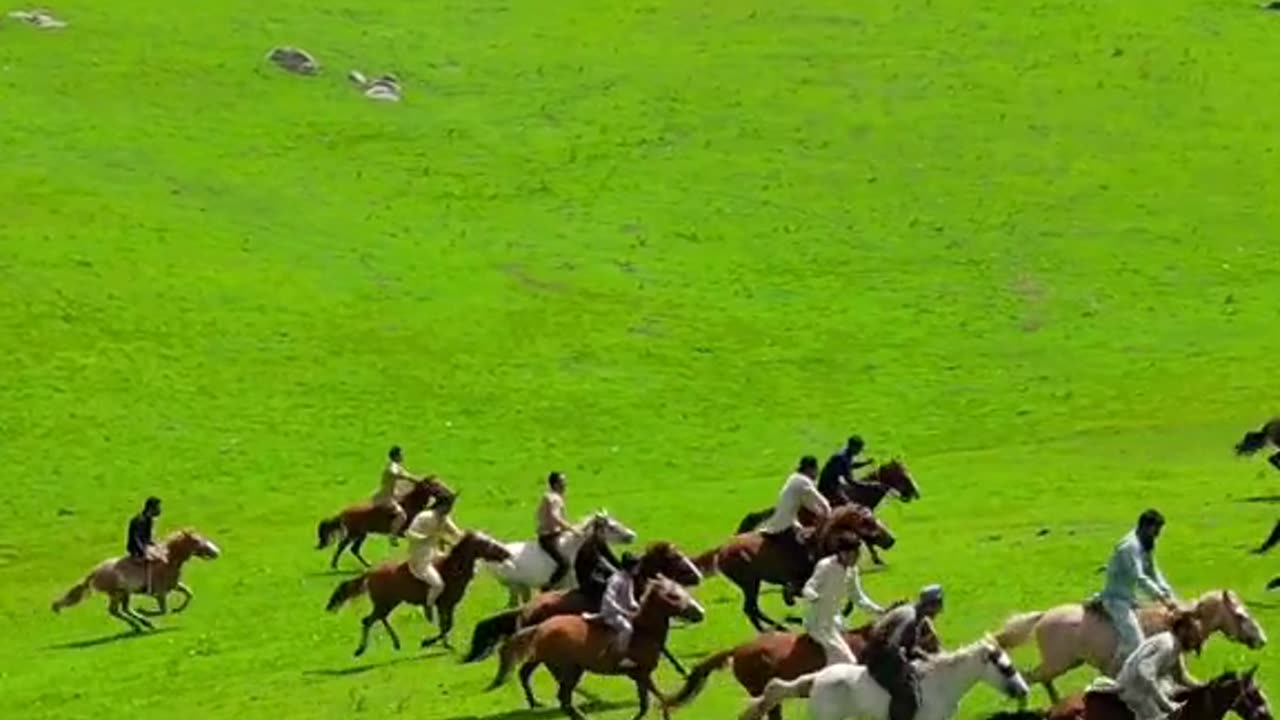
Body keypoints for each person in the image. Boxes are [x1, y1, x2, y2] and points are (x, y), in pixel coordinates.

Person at [1091, 509, 1180, 675]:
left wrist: (1170, 594)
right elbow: (1139, 577)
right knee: (1135, 642)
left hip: (1131, 599)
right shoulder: (1129, 547)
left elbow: (1153, 571)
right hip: (1116, 600)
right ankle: (1111, 676)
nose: (1158, 535)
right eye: (1156, 531)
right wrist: (1161, 597)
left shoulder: (1146, 544)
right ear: (1145, 527)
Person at [862, 584, 945, 720]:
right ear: (931, 605)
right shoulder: (910, 619)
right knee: (908, 695)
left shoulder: (915, 614)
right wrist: (907, 666)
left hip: (887, 654)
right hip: (880, 659)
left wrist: (928, 658)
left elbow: (909, 647)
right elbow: (893, 648)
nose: (936, 613)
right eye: (936, 608)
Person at [802, 535, 884, 666]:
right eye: (854, 554)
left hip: (836, 621)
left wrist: (879, 610)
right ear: (842, 553)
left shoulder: (852, 570)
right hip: (818, 623)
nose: (857, 557)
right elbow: (808, 587)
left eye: (858, 553)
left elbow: (858, 597)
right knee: (848, 661)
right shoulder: (825, 566)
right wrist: (814, 596)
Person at [757, 455, 832, 599]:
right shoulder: (804, 481)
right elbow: (823, 503)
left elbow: (807, 503)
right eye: (816, 470)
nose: (817, 473)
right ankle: (793, 585)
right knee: (806, 552)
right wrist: (828, 518)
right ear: (811, 469)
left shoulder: (794, 478)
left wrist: (818, 514)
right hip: (785, 524)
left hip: (785, 521)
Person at [1113, 613, 1204, 720]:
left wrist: (1204, 686)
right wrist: (1165, 703)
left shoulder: (1175, 649)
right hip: (1133, 689)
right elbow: (1145, 673)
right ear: (1182, 630)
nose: (1196, 640)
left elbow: (1181, 677)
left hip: (1143, 689)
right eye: (1193, 633)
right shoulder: (1167, 646)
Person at [404, 494, 462, 624]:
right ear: (441, 505)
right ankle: (429, 604)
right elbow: (409, 533)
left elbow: (456, 533)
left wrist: (465, 540)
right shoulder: (424, 517)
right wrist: (424, 538)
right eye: (448, 507)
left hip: (435, 553)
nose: (449, 510)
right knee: (437, 585)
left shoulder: (444, 518)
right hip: (420, 557)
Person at [583, 552, 641, 668]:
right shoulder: (617, 580)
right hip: (610, 613)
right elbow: (609, 600)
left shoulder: (629, 579)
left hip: (621, 611)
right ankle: (619, 657)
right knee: (627, 628)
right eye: (637, 566)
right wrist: (623, 611)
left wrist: (637, 607)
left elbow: (629, 599)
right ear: (631, 567)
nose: (639, 569)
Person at [536, 471, 577, 591]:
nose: (565, 485)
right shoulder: (553, 498)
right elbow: (555, 516)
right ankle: (548, 587)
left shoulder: (552, 497)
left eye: (565, 482)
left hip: (556, 534)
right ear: (555, 485)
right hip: (549, 537)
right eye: (562, 483)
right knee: (565, 564)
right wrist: (571, 529)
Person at [374, 446, 420, 545]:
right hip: (386, 498)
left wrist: (419, 480)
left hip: (392, 494)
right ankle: (392, 536)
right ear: (396, 456)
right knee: (402, 516)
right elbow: (396, 474)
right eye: (400, 454)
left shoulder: (396, 466)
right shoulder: (392, 467)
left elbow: (408, 475)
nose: (402, 456)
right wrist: (405, 477)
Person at [818, 435, 875, 505]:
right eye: (859, 448)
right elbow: (849, 480)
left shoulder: (846, 455)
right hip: (828, 486)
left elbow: (851, 466)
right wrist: (867, 485)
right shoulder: (842, 458)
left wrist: (866, 463)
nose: (860, 451)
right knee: (848, 503)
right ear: (852, 447)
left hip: (834, 483)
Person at [126, 497, 167, 594]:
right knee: (151, 561)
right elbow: (136, 538)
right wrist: (143, 551)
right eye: (157, 507)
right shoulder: (138, 520)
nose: (159, 510)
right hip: (136, 549)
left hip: (145, 546)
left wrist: (156, 545)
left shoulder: (149, 520)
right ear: (151, 508)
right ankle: (148, 587)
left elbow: (148, 538)